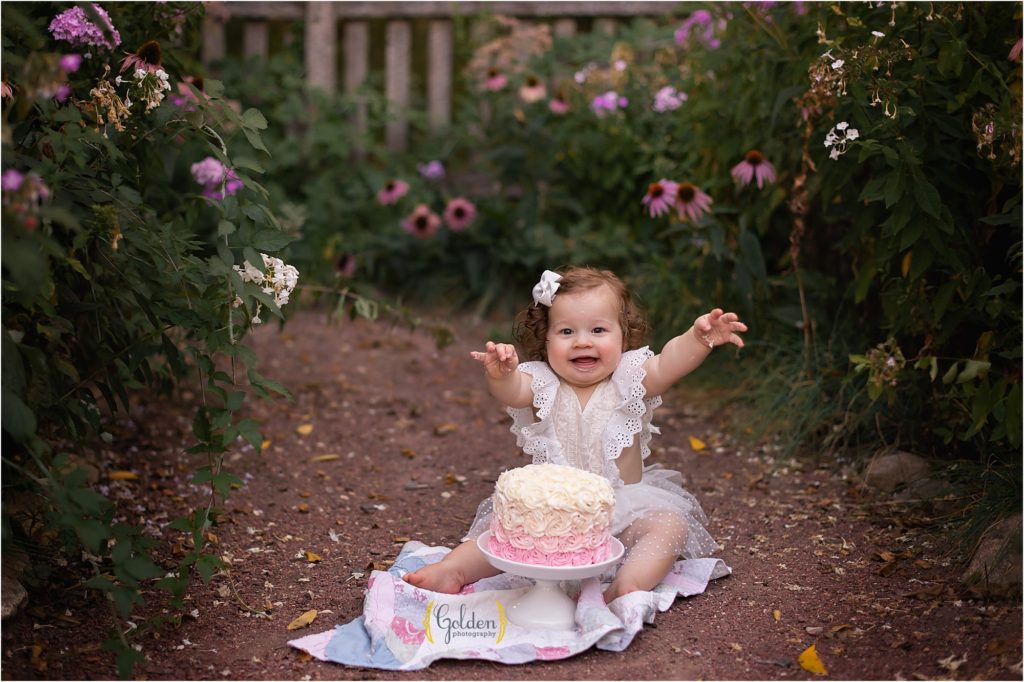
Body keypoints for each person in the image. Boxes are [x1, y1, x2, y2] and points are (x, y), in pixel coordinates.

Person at [404, 266, 747, 602]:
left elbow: (667, 363)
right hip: (553, 515)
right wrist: (501, 374)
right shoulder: (542, 382)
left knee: (669, 525)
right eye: (566, 332)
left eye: (598, 330)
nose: (583, 342)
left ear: (623, 336)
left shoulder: (629, 378)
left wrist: (697, 339)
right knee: (503, 534)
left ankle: (628, 583)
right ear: (546, 340)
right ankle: (453, 570)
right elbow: (514, 391)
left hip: (622, 509)